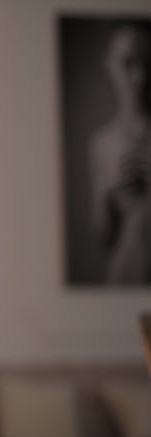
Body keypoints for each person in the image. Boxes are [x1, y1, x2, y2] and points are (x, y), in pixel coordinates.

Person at [88, 19, 151, 284]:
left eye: (143, 61)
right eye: (126, 63)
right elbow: (103, 236)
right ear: (110, 66)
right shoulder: (101, 143)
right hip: (123, 276)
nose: (136, 75)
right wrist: (107, 191)